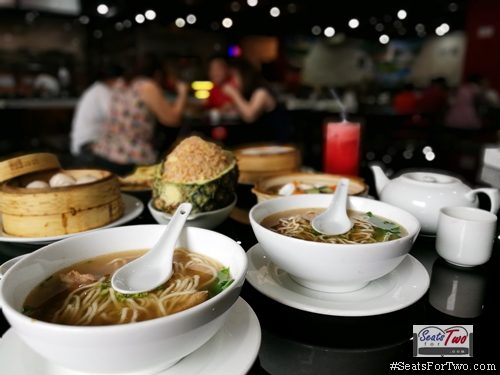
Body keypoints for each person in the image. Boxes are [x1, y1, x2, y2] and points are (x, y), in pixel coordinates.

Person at [90, 53, 189, 176]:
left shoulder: (120, 83)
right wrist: (183, 93)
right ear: (158, 73)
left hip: (103, 155)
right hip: (131, 160)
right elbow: (173, 119)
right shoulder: (147, 86)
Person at [221, 57, 293, 143]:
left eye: (233, 77)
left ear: (244, 75)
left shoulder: (261, 92)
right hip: (261, 144)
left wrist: (234, 93)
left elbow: (250, 116)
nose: (232, 82)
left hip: (275, 145)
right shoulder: (249, 93)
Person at [70, 63, 123, 161]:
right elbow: (116, 119)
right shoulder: (102, 92)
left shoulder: (97, 89)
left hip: (91, 142)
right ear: (115, 79)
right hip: (86, 145)